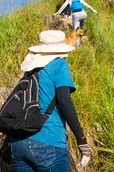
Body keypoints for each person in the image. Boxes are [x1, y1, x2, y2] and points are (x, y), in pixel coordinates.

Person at [11, 30, 91, 171]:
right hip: (48, 143)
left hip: (19, 144)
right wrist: (81, 140)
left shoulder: (29, 68)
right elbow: (64, 101)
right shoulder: (59, 64)